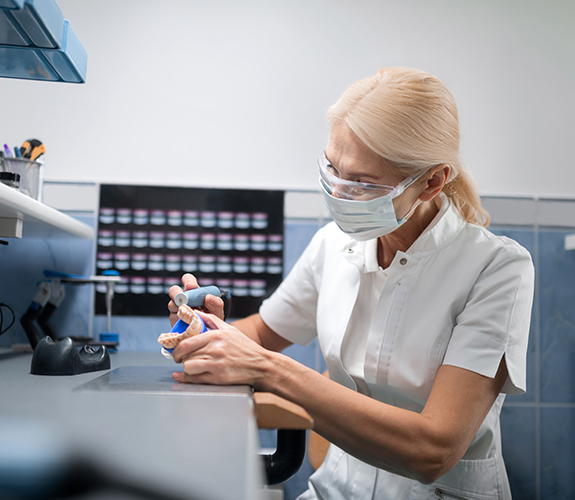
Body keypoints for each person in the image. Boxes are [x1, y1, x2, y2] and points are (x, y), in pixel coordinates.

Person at [167, 67, 534, 499]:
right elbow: (264, 333)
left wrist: (267, 369)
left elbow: (433, 450)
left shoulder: (496, 267)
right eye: (332, 169)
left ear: (432, 181)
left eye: (360, 183)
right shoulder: (332, 244)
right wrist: (203, 328)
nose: (338, 194)